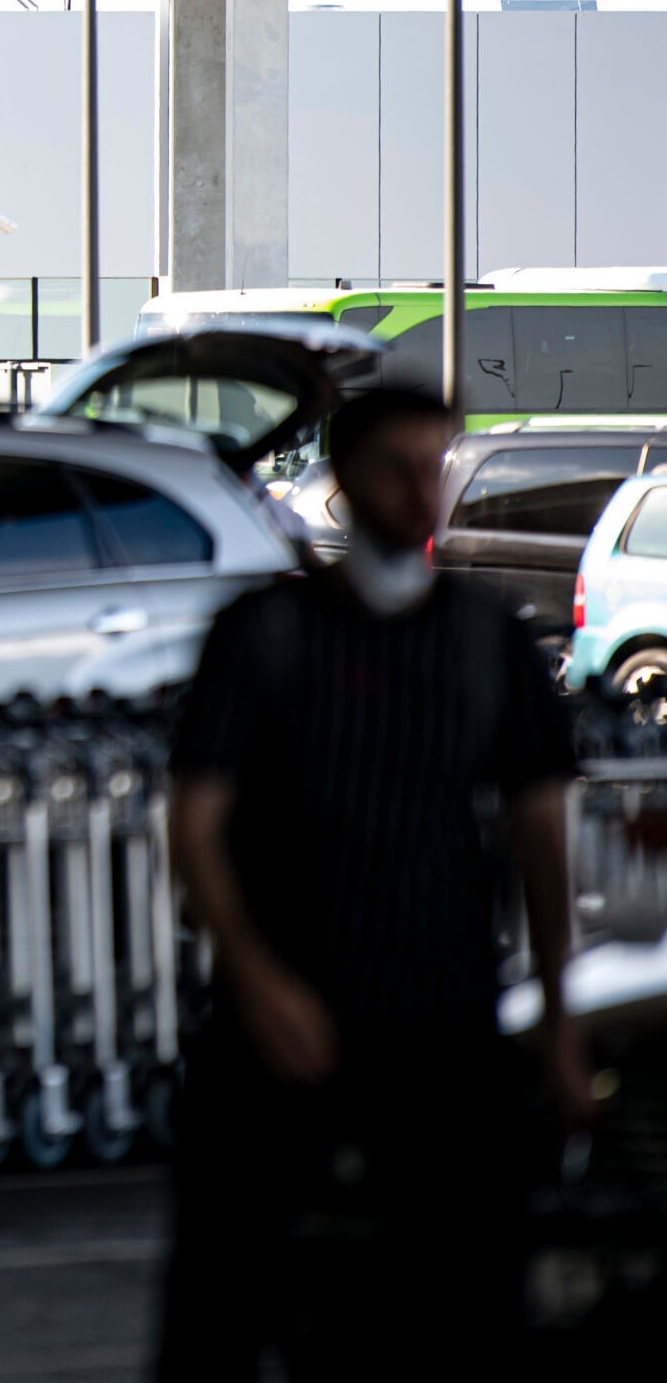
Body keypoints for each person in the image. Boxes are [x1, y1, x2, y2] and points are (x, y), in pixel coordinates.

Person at [155, 386, 593, 1377]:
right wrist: (258, 983)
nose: (421, 492)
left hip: (439, 1011)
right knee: (221, 1289)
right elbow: (195, 823)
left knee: (463, 1292)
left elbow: (539, 834)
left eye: (434, 467)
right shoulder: (265, 635)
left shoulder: (485, 640)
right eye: (397, 468)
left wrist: (559, 1024)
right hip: (281, 1012)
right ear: (346, 480)